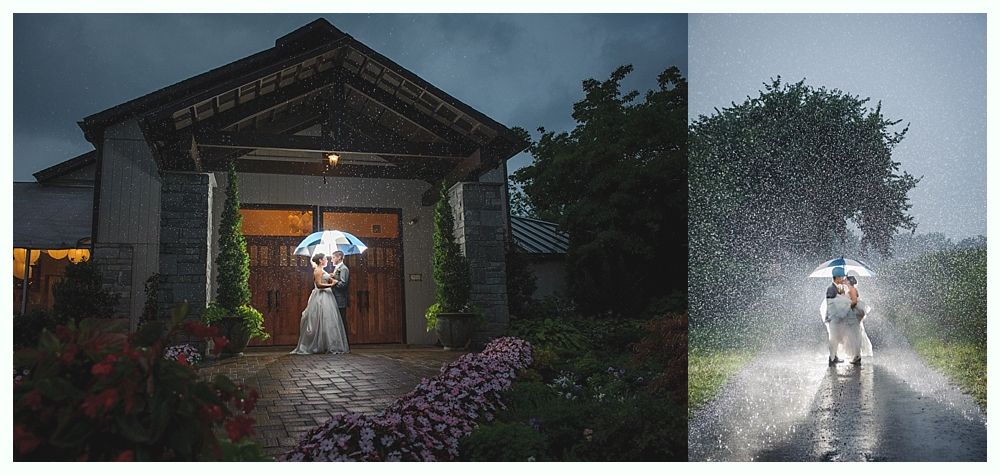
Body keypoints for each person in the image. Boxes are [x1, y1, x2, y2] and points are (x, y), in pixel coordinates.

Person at [290, 253, 349, 355]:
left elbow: (326, 277)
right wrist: (332, 284)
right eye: (326, 259)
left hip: (328, 297)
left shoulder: (323, 270)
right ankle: (318, 344)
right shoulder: (318, 270)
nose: (328, 260)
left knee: (328, 320)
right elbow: (319, 284)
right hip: (321, 296)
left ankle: (327, 344)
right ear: (321, 260)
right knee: (319, 320)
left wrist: (331, 276)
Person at [327, 250, 351, 340]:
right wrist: (334, 276)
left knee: (342, 321)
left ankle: (345, 344)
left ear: (339, 257)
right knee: (337, 322)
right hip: (335, 298)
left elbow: (343, 284)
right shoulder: (337, 268)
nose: (332, 260)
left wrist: (334, 281)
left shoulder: (344, 269)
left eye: (333, 257)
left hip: (340, 299)